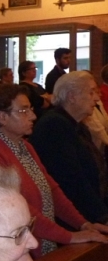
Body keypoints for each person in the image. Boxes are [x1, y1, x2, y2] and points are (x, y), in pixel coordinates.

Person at [0, 84, 108, 255]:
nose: (33, 115)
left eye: (30, 109)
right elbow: (18, 208)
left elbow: (51, 189)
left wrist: (83, 224)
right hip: (17, 246)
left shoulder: (25, 145)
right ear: (2, 117)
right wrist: (68, 236)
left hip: (41, 237)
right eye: (24, 111)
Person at [30, 71, 108, 224]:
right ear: (72, 96)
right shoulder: (54, 125)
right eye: (91, 92)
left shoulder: (75, 124)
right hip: (71, 218)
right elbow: (72, 180)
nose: (97, 98)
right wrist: (102, 217)